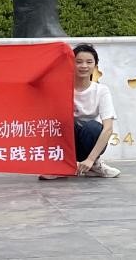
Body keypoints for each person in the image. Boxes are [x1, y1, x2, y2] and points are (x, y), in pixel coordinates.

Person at [40, 43, 120, 179]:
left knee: (93, 127)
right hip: (65, 142)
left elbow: (108, 129)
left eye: (89, 62)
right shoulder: (60, 88)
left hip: (89, 142)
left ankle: (93, 165)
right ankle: (60, 166)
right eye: (78, 62)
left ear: (95, 66)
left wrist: (90, 159)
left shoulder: (101, 91)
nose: (84, 66)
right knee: (60, 123)